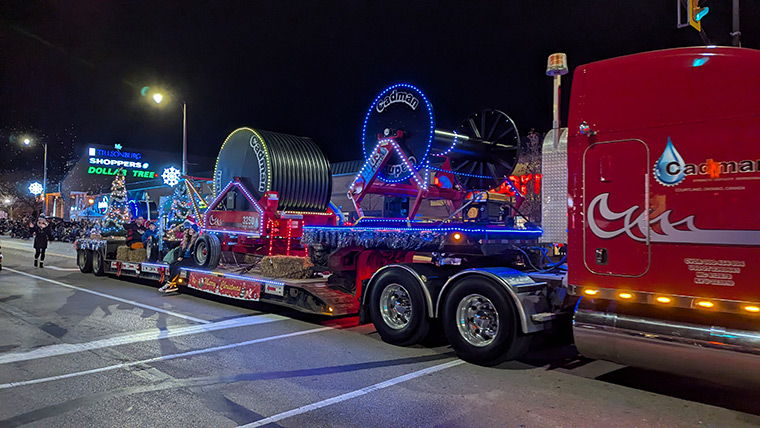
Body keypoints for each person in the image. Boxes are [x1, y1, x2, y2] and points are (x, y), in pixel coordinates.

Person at [158, 220, 198, 293]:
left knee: (178, 265)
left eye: (192, 230)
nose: (190, 231)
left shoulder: (196, 241)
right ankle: (173, 283)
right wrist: (180, 256)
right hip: (185, 258)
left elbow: (195, 253)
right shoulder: (187, 240)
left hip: (192, 260)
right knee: (172, 264)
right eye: (190, 229)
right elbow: (182, 251)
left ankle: (169, 283)